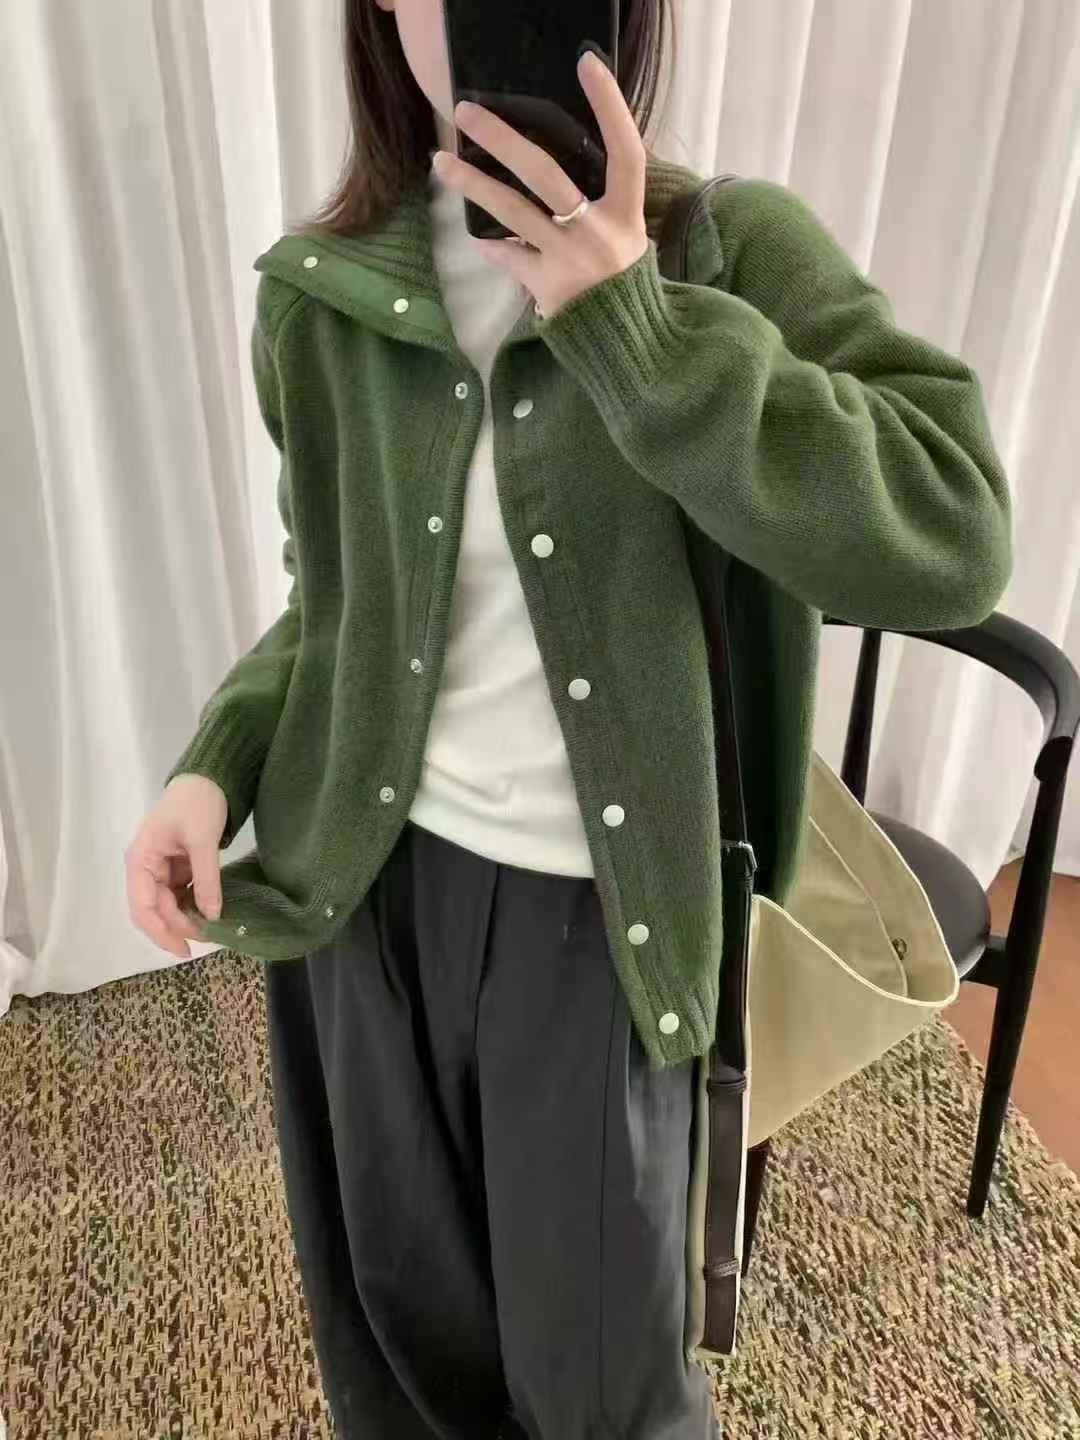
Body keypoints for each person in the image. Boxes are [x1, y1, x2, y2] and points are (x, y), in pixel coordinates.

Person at [124, 1, 1013, 1435]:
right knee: (403, 1352)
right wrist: (213, 771)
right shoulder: (325, 296)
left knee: (604, 1387)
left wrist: (636, 329)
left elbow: (953, 536)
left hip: (599, 923)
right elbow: (333, 605)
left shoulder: (727, 251)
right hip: (361, 906)